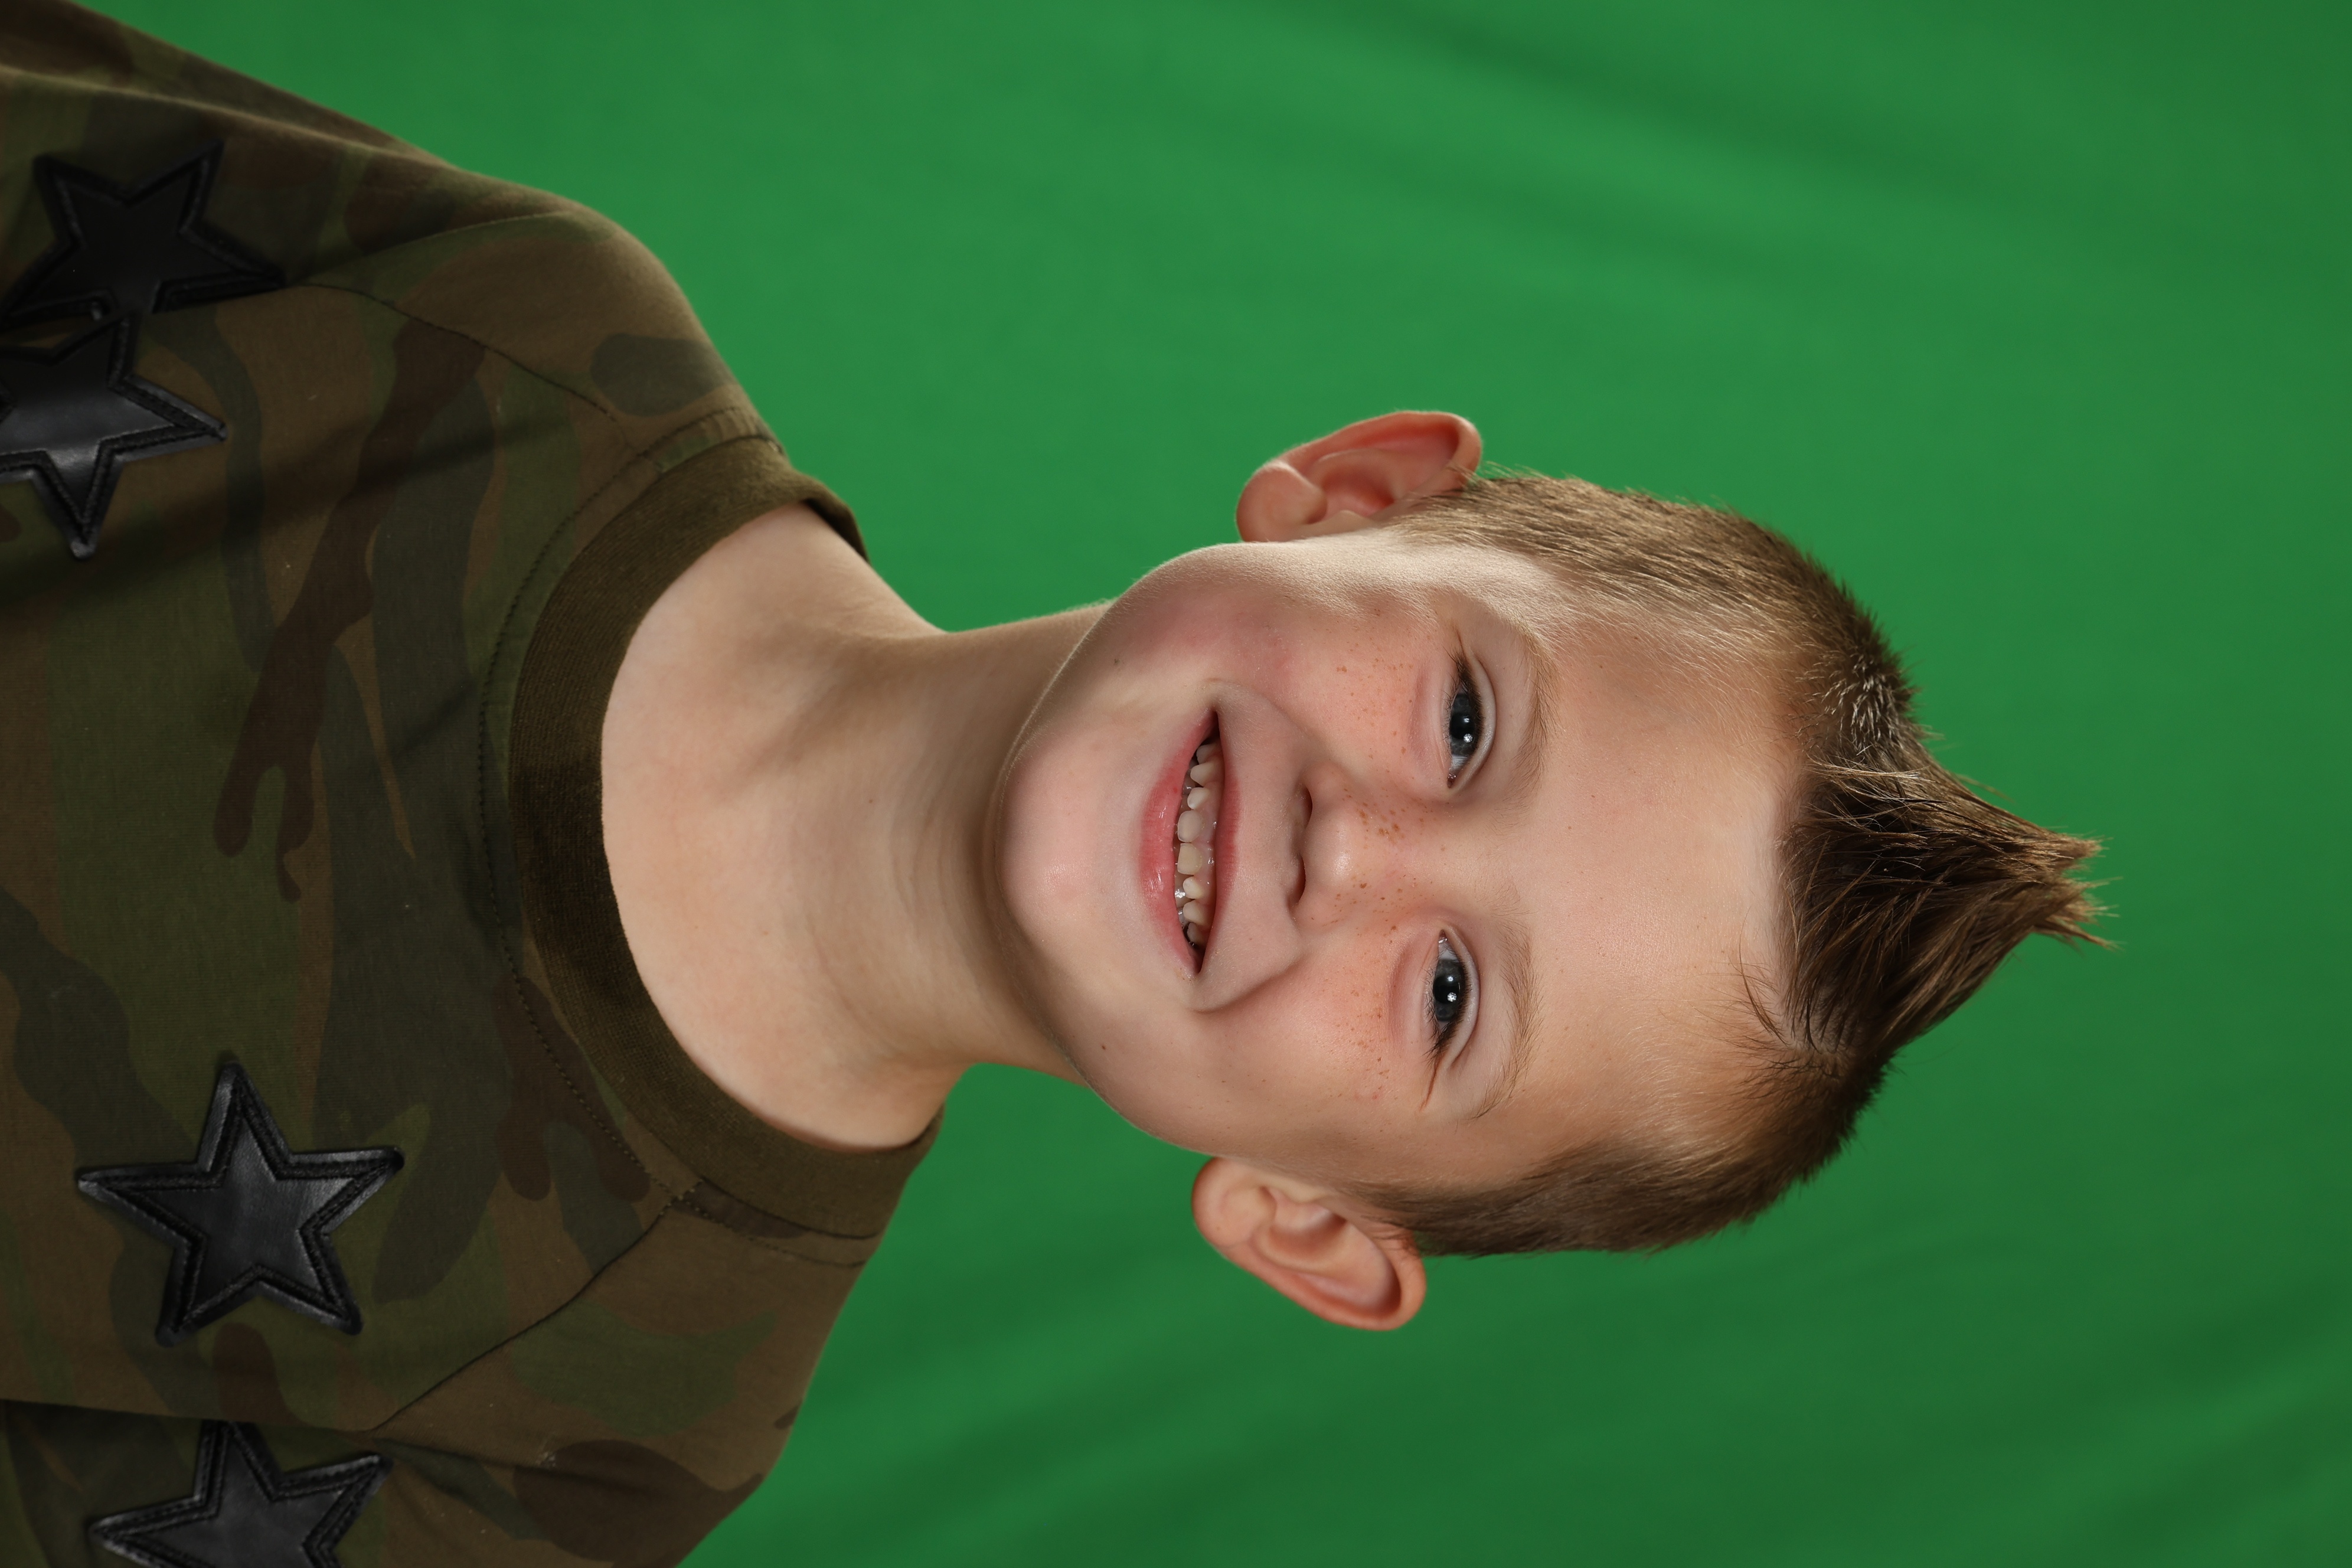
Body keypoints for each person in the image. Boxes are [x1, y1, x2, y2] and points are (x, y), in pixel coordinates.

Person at [0, 2, 2099, 1564]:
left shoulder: (607, 1429)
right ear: (1358, 494)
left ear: (1310, 1220)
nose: (1356, 848)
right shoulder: (515, 341)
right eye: (1466, 723)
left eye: (1454, 993)